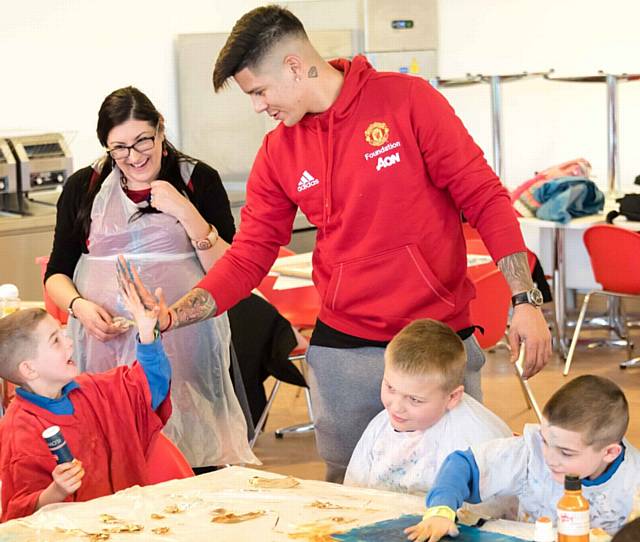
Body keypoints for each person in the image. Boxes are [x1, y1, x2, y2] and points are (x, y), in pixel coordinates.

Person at [125, 6, 552, 483]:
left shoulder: (408, 101)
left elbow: (484, 197)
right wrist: (173, 315)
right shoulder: (278, 151)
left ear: (293, 65)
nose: (258, 106)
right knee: (350, 493)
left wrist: (524, 298)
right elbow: (248, 256)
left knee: (460, 487)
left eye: (259, 91)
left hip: (437, 342)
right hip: (345, 351)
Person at [44, 86, 256, 468]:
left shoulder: (197, 180)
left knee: (192, 442)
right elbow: (57, 273)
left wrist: (186, 212)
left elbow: (228, 271)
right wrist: (79, 307)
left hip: (185, 338)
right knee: (118, 447)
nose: (134, 156)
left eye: (143, 140)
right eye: (119, 148)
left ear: (160, 130)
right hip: (105, 342)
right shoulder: (84, 187)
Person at [0, 278, 175, 522]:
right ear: (29, 369)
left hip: (126, 525)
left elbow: (148, 391)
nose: (70, 341)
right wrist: (56, 491)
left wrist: (147, 332)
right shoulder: (18, 430)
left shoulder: (93, 389)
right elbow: (20, 515)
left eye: (63, 334)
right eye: (56, 341)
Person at [405, 375, 640, 541]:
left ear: (610, 452)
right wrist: (441, 510)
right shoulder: (531, 454)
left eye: (566, 453)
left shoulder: (634, 482)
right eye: (546, 441)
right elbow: (463, 465)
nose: (549, 458)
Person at [344, 319, 512, 496]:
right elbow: (354, 493)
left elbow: (487, 515)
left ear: (452, 397)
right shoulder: (380, 426)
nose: (396, 407)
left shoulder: (475, 441)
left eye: (415, 400)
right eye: (390, 388)